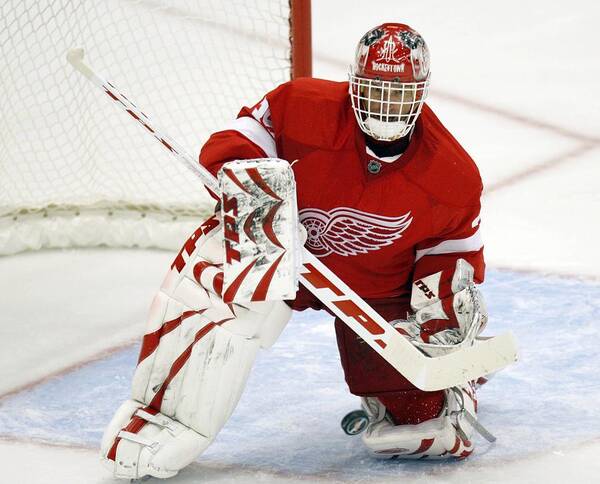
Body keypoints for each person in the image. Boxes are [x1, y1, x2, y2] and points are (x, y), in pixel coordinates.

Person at [100, 23, 487, 480]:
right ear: (352, 83)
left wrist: (437, 332)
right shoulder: (301, 106)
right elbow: (234, 145)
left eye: (398, 94)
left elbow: (449, 269)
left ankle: (449, 394)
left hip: (379, 295)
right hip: (279, 251)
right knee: (219, 267)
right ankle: (161, 414)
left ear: (421, 95)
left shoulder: (452, 176)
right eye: (374, 89)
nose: (385, 104)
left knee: (420, 424)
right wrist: (260, 200)